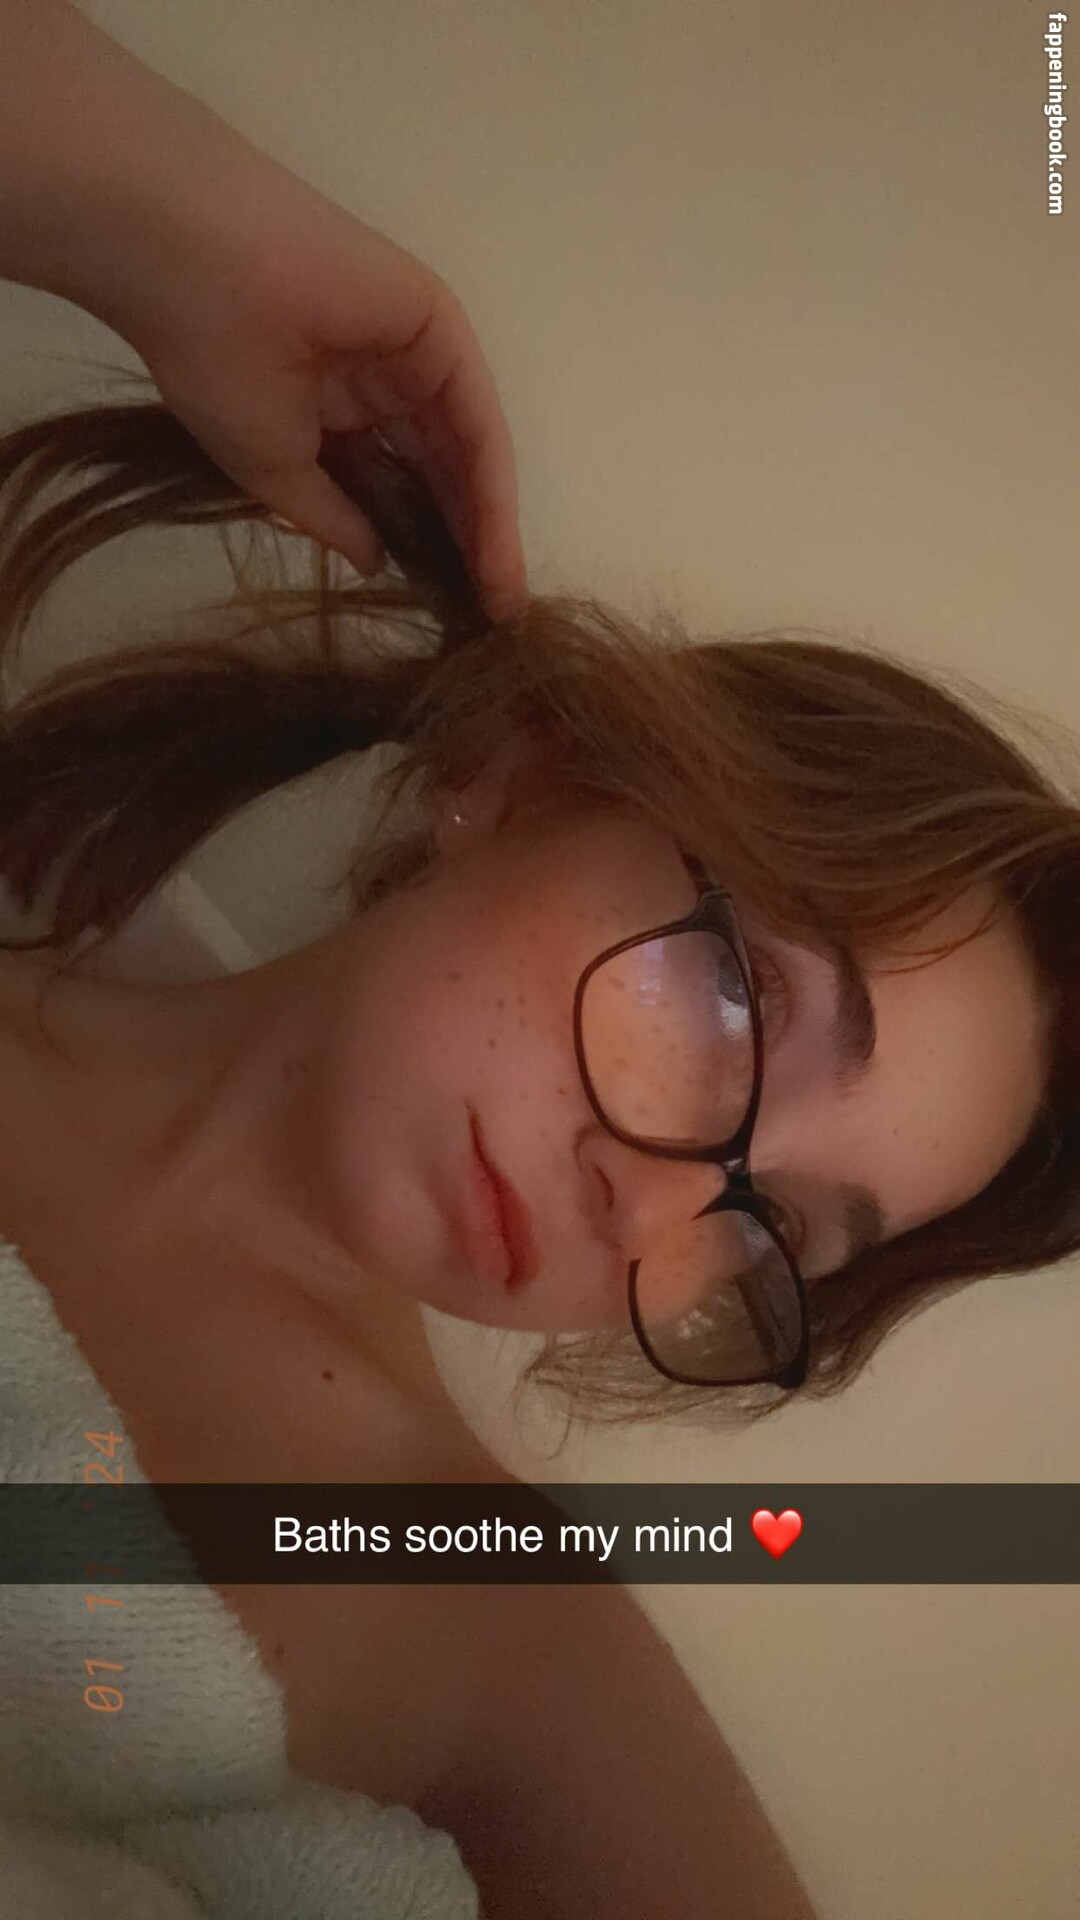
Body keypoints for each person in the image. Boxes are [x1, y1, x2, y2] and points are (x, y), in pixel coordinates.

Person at [0, 5, 1077, 1919]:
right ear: (527, 770)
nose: (652, 1205)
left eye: (778, 1230)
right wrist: (156, 207)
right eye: (736, 1006)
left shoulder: (475, 1618)